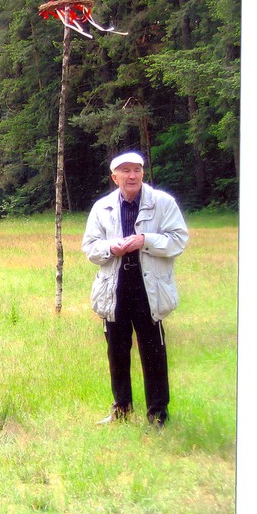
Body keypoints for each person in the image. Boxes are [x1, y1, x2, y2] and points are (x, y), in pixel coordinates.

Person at [82, 151, 188, 427]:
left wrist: (145, 240)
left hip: (148, 286)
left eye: (137, 170)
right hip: (115, 286)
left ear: (143, 173)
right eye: (125, 171)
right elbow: (90, 248)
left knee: (153, 351)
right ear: (114, 177)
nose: (132, 176)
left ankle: (158, 414)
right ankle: (122, 409)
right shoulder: (102, 207)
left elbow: (178, 240)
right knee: (116, 350)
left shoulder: (163, 203)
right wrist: (110, 247)